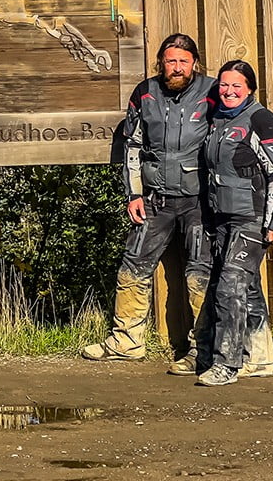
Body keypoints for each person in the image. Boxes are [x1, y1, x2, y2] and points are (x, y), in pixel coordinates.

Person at [81, 33, 215, 372]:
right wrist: (134, 193)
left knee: (201, 274)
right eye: (171, 61)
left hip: (200, 201)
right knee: (133, 266)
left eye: (184, 61)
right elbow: (132, 147)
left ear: (194, 64)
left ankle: (205, 350)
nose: (177, 67)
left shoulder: (213, 93)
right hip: (154, 199)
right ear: (161, 63)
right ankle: (126, 342)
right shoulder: (145, 93)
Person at [195, 60, 273, 386]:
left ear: (249, 87)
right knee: (246, 289)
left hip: (251, 217)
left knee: (229, 287)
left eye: (237, 85)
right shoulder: (217, 120)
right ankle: (260, 357)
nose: (229, 91)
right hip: (221, 217)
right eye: (224, 85)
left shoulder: (261, 119)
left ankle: (227, 365)